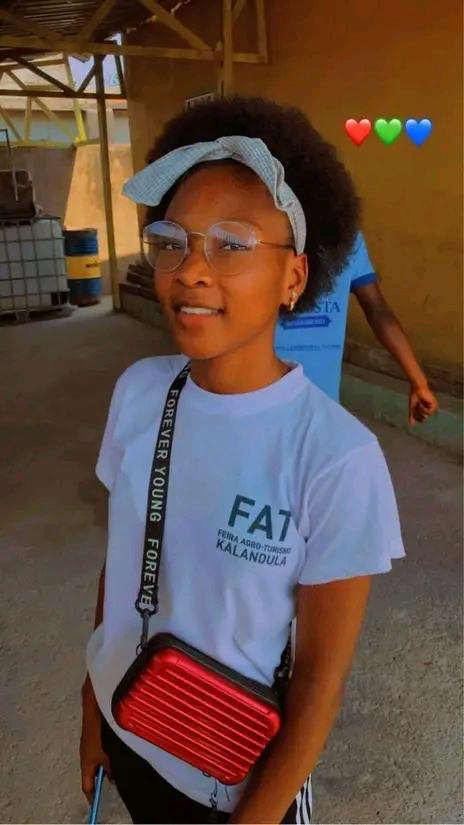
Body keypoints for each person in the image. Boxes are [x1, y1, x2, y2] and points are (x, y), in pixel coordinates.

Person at [80, 96, 405, 824]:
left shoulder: (337, 459)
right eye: (172, 240)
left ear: (294, 277)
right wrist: (92, 711)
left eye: (231, 244)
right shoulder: (139, 393)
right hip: (128, 727)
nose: (191, 270)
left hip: (231, 787)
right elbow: (122, 561)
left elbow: (317, 683)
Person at [275, 231, 439, 423]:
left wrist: (418, 381)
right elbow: (378, 311)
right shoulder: (270, 230)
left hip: (323, 406)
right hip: (263, 394)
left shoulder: (347, 239)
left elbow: (378, 311)